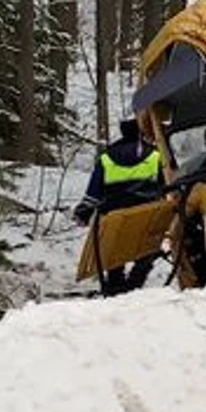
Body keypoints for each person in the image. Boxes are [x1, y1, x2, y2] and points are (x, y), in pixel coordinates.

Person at [73, 117, 166, 296]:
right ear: (141, 132)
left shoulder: (106, 158)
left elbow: (94, 192)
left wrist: (84, 212)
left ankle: (116, 283)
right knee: (149, 246)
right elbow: (168, 183)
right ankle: (135, 281)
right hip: (147, 215)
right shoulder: (155, 155)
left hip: (114, 217)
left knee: (116, 248)